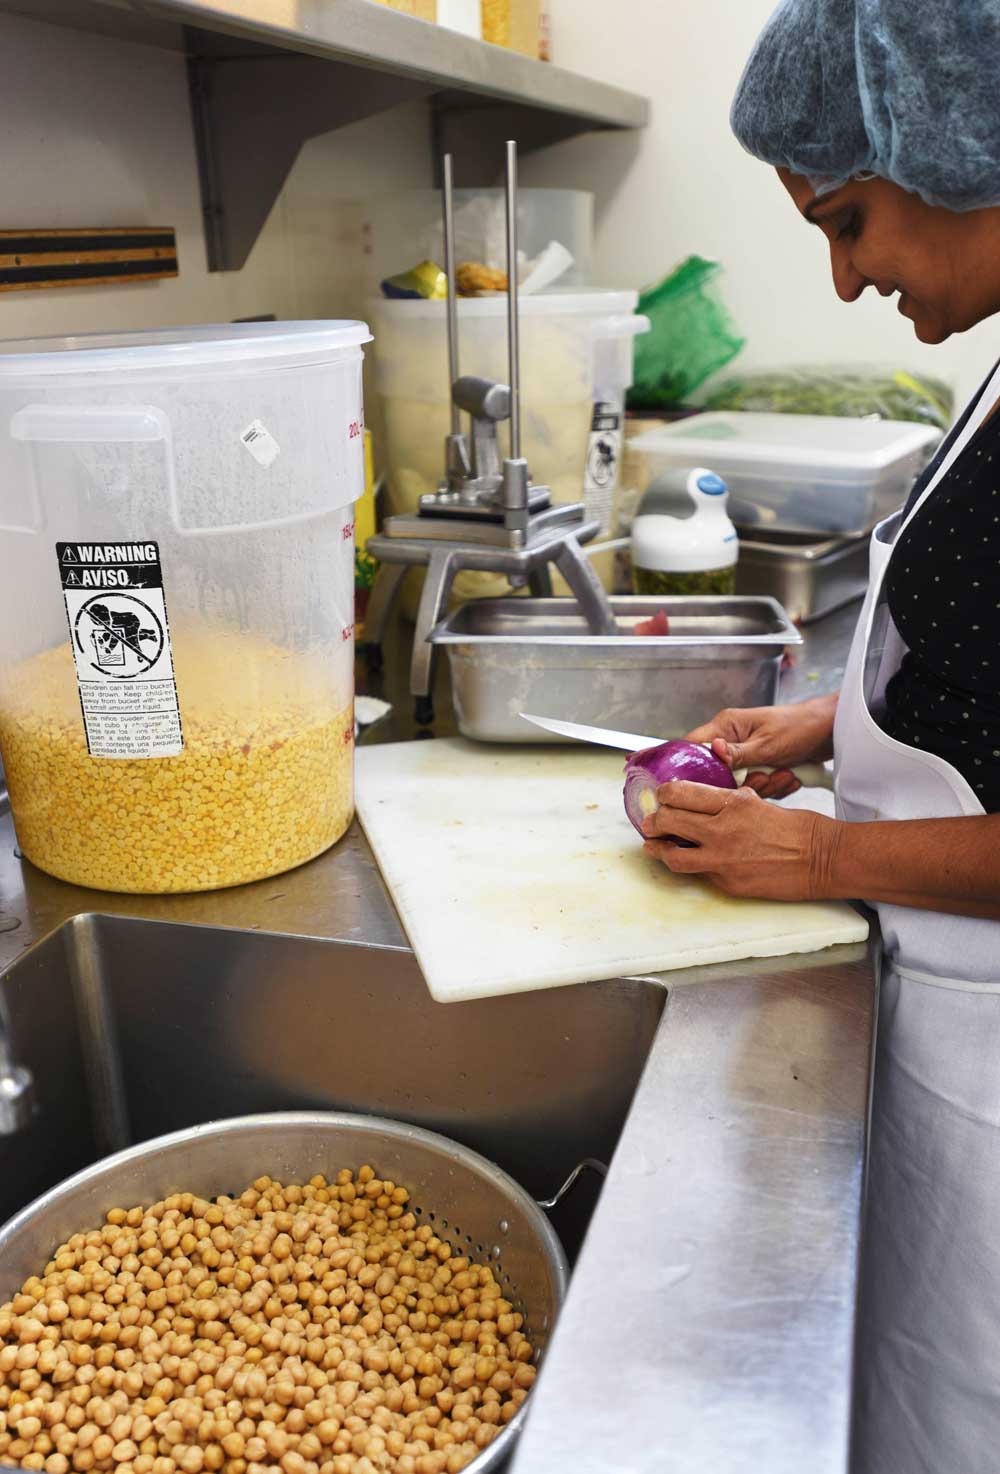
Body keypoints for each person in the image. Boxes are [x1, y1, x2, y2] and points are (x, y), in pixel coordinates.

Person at [638, 3, 1000, 1471]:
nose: (848, 282)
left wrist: (816, 854)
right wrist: (840, 724)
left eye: (850, 221)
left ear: (959, 134)